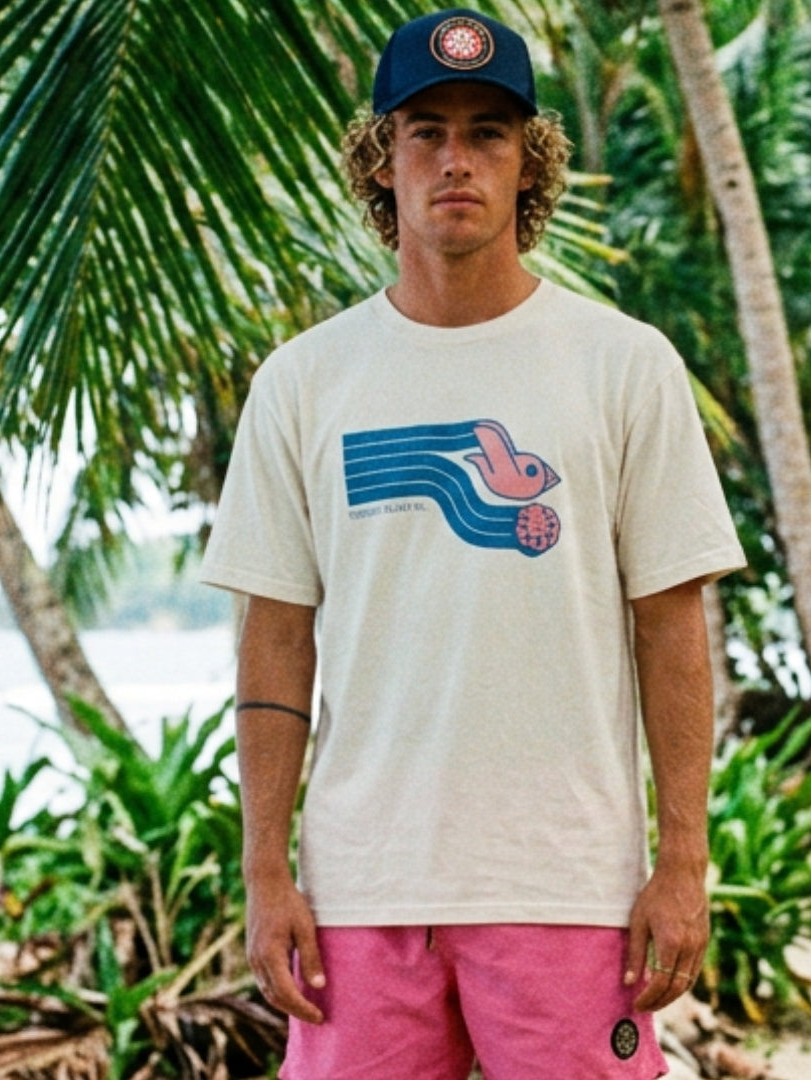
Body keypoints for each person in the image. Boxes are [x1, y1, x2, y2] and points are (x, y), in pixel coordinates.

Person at [200, 8, 746, 1079]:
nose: (458, 158)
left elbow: (670, 628)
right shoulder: (305, 382)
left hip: (566, 888)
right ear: (381, 160)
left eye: (491, 132)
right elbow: (275, 645)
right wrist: (268, 870)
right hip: (361, 895)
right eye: (427, 130)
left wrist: (683, 859)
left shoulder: (622, 365)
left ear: (529, 163)